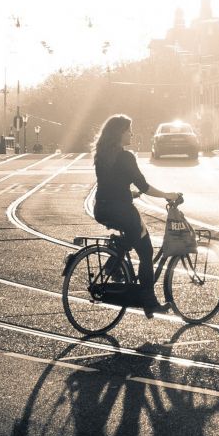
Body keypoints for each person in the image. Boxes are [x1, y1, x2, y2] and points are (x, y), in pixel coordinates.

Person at [91, 114, 181, 317]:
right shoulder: (126, 157)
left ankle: (116, 260)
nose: (131, 133)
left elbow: (110, 183)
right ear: (120, 133)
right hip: (121, 210)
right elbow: (145, 186)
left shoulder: (102, 154)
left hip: (102, 208)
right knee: (146, 251)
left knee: (133, 239)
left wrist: (128, 192)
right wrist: (167, 195)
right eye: (128, 130)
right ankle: (147, 300)